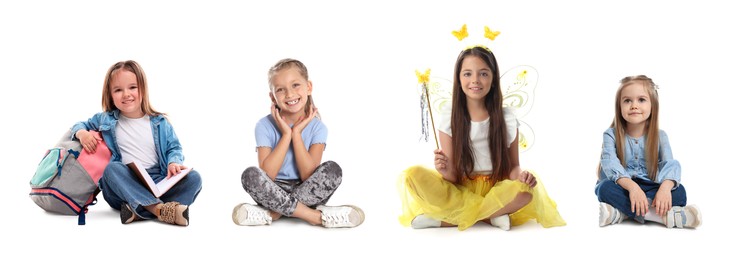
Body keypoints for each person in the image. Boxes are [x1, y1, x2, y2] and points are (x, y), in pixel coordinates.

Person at [398, 46, 565, 230]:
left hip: (496, 188)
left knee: (526, 193)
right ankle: (491, 217)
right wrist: (443, 169)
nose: (475, 80)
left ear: (493, 79)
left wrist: (522, 176)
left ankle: (444, 221)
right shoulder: (449, 117)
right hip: (460, 190)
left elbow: (513, 167)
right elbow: (452, 177)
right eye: (467, 74)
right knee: (413, 176)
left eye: (483, 74)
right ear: (459, 79)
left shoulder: (506, 118)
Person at [232, 58, 364, 228]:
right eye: (280, 89)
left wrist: (297, 134)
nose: (289, 94)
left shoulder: (318, 127)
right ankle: (316, 217)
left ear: (308, 87)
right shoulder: (263, 125)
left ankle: (272, 214)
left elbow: (308, 175)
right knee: (250, 175)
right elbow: (267, 175)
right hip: (273, 190)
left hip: (307, 189)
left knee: (333, 170)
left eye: (295, 85)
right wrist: (287, 134)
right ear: (273, 97)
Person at [71, 60, 202, 226]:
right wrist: (81, 133)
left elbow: (174, 148)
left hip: (157, 179)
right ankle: (159, 210)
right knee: (112, 170)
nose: (126, 94)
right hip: (125, 181)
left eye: (132, 87)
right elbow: (78, 125)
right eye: (118, 90)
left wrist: (173, 162)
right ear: (110, 95)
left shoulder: (159, 122)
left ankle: (139, 211)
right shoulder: (106, 119)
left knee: (194, 178)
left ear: (143, 88)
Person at [595, 75, 701, 228]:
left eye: (641, 100)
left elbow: (670, 164)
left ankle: (621, 213)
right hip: (623, 186)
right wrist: (633, 188)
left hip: (650, 186)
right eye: (627, 100)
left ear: (653, 106)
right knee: (604, 189)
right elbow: (610, 164)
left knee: (680, 192)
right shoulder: (610, 134)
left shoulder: (660, 136)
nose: (634, 105)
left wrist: (664, 188)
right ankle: (660, 217)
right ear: (619, 107)